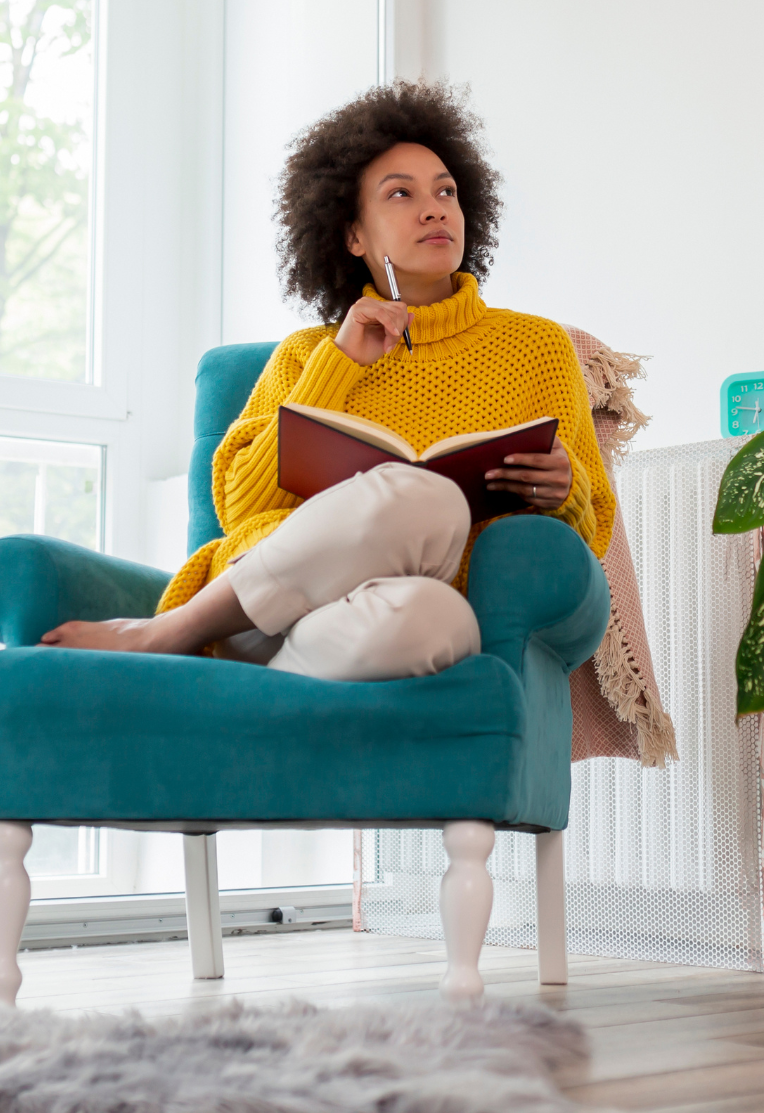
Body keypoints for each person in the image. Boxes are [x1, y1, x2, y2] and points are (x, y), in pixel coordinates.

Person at [41, 82, 613, 680]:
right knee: (428, 496)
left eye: (447, 191)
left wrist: (564, 491)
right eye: (401, 193)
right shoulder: (308, 353)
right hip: (252, 618)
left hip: (387, 621)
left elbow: (590, 532)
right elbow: (243, 510)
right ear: (353, 236)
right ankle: (173, 630)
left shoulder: (537, 347)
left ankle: (258, 706)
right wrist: (338, 364)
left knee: (441, 620)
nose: (435, 207)